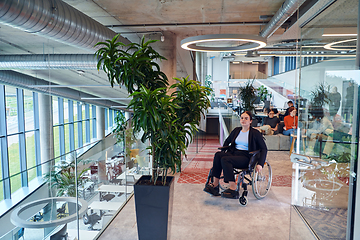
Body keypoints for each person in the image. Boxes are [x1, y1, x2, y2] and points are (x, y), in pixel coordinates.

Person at [203, 111, 267, 199]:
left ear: (250, 121)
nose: (243, 120)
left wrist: (260, 164)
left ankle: (233, 189)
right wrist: (224, 149)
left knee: (225, 160)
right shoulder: (236, 130)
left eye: (246, 118)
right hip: (234, 153)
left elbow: (264, 148)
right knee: (218, 155)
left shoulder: (255, 133)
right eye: (242, 118)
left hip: (247, 157)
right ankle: (215, 185)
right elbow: (227, 141)